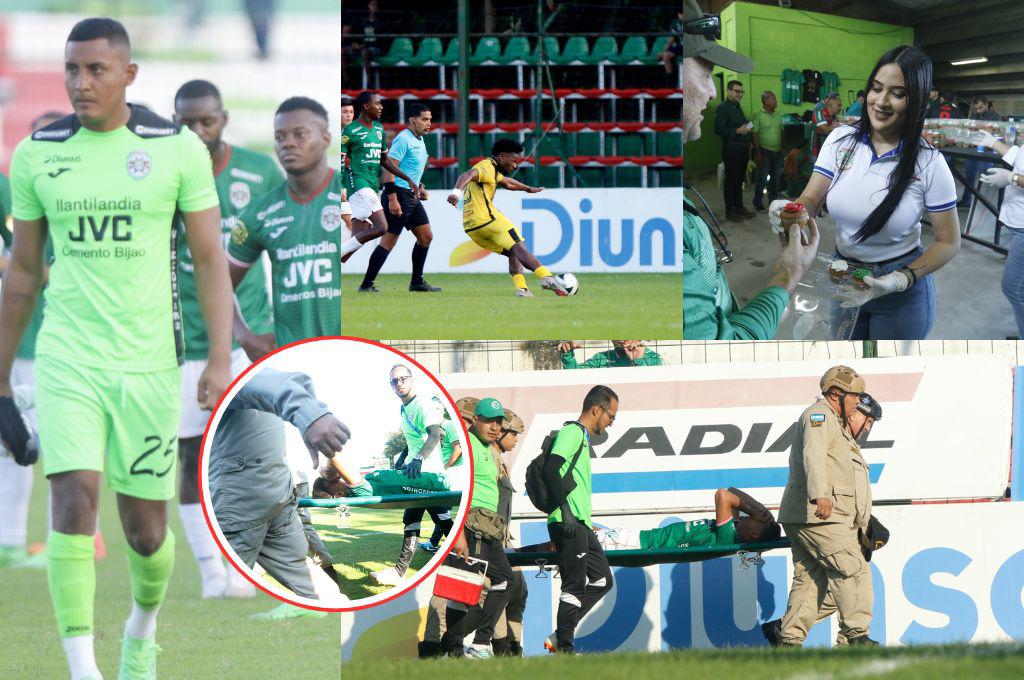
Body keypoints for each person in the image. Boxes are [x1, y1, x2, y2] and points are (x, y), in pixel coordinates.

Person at [0, 18, 235, 679]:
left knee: (147, 537)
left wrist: (218, 359)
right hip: (67, 358)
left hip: (151, 367)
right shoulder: (38, 153)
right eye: (72, 69)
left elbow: (210, 257)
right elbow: (22, 273)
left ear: (128, 74)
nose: (81, 82)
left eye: (96, 69)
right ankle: (84, 669)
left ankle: (142, 628)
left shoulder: (175, 149)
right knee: (72, 500)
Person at [173, 78, 281, 599]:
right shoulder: (164, 173)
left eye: (206, 121)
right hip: (185, 344)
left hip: (250, 341)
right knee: (192, 458)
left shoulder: (259, 172)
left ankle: (246, 568)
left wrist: (270, 330)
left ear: (225, 118)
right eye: (185, 123)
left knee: (252, 456)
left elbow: (284, 247)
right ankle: (211, 574)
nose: (196, 132)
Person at [770, 45, 960, 340]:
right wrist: (791, 211)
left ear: (917, 100)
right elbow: (811, 198)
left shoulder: (929, 162)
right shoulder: (840, 140)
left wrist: (900, 279)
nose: (881, 102)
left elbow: (949, 241)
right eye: (876, 88)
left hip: (900, 289)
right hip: (843, 274)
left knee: (888, 373)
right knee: (849, 363)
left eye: (898, 93)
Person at [681, 0, 819, 340]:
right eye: (704, 71)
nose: (711, 91)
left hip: (758, 151)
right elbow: (721, 352)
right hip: (736, 147)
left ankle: (742, 206)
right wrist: (788, 273)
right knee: (734, 187)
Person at [209, 368, 350, 604]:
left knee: (221, 590)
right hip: (275, 496)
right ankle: (343, 617)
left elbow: (254, 381)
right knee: (302, 571)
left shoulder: (227, 365)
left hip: (240, 503)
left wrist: (311, 415)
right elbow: (290, 383)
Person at [763, 366, 881, 648]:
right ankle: (856, 636)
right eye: (854, 397)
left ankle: (788, 639)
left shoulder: (835, 423)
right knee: (852, 569)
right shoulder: (819, 416)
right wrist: (820, 496)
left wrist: (862, 522)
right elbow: (813, 455)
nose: (856, 403)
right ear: (836, 393)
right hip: (818, 514)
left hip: (815, 515)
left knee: (811, 579)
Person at [0, 110, 71, 571]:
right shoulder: (18, 192)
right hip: (20, 338)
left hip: (67, 339)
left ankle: (66, 543)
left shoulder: (87, 199)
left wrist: (31, 273)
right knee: (12, 440)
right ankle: (10, 542)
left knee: (65, 443)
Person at [226, 96, 343, 352]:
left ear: (325, 139)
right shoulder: (259, 213)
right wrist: (244, 336)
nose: (288, 143)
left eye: (300, 134)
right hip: (291, 359)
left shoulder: (348, 193)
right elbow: (219, 283)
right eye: (280, 137)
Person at [543, 385, 618, 655]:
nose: (611, 422)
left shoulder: (582, 438)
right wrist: (564, 510)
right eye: (611, 416)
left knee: (602, 580)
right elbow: (551, 468)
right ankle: (565, 648)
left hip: (580, 522)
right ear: (596, 409)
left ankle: (560, 634)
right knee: (573, 585)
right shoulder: (572, 432)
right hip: (568, 521)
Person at [369, 364, 455, 587]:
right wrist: (404, 459)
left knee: (441, 519)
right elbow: (414, 440)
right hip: (415, 472)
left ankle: (466, 562)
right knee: (416, 518)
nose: (399, 383)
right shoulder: (404, 408)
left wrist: (418, 459)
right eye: (394, 381)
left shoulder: (423, 404)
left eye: (403, 378)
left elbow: (435, 435)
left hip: (429, 474)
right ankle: (399, 573)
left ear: (412, 379)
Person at [447, 138, 568, 296]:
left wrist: (528, 189)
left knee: (513, 252)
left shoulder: (492, 170)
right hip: (488, 220)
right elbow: (467, 174)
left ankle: (522, 289)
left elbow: (507, 183)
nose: (515, 165)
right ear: (502, 157)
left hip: (472, 228)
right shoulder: (486, 167)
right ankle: (547, 278)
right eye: (514, 160)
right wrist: (456, 193)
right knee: (519, 246)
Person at [443, 397, 514, 659]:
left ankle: (475, 645)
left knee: (504, 582)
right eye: (488, 420)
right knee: (462, 588)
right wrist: (459, 533)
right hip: (471, 526)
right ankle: (458, 650)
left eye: (498, 422)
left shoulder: (486, 447)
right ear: (475, 420)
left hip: (488, 528)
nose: (495, 427)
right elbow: (456, 491)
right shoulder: (469, 446)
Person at [359, 103, 442, 293]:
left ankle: (417, 283)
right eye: (424, 119)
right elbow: (388, 169)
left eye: (430, 119)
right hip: (398, 194)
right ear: (413, 119)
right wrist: (392, 198)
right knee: (389, 241)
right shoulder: (403, 139)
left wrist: (419, 187)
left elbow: (409, 170)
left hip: (411, 196)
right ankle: (366, 284)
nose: (429, 123)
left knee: (425, 236)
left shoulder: (419, 139)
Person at [338, 91, 422, 264]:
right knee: (382, 227)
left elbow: (385, 161)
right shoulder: (349, 131)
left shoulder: (378, 129)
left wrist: (408, 178)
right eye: (377, 104)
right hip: (358, 183)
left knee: (359, 235)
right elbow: (338, 161)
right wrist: (339, 186)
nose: (381, 107)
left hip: (372, 185)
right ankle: (335, 254)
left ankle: (336, 260)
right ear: (365, 106)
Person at [592, 488, 780, 552]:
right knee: (582, 529)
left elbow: (723, 495)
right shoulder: (734, 525)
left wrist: (751, 510)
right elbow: (733, 490)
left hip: (637, 544)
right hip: (637, 538)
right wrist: (760, 510)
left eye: (758, 520)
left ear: (754, 533)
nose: (752, 516)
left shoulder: (727, 537)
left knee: (576, 540)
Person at [976, 132, 1024, 337]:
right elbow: (1019, 155)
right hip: (1018, 220)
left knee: (1013, 287)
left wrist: (1012, 178)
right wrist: (994, 143)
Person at [715, 79, 755, 221]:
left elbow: (742, 125)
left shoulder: (737, 107)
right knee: (731, 180)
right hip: (731, 148)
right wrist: (737, 130)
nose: (740, 94)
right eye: (737, 91)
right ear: (729, 91)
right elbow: (718, 129)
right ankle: (730, 211)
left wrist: (749, 140)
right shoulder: (722, 108)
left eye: (741, 92)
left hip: (743, 148)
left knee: (739, 180)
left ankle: (739, 207)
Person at [959, 95, 1002, 208]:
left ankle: (987, 205)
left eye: (981, 108)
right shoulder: (973, 116)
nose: (978, 110)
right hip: (973, 151)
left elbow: (999, 134)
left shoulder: (995, 117)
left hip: (987, 153)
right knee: (969, 177)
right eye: (976, 108)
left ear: (986, 104)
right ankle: (966, 200)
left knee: (987, 178)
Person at [751, 90, 784, 211]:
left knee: (775, 179)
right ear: (765, 101)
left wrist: (783, 146)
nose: (776, 101)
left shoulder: (778, 115)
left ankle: (773, 202)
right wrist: (757, 152)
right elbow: (754, 134)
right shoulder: (757, 115)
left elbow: (781, 131)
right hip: (764, 151)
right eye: (773, 99)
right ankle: (757, 201)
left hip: (778, 152)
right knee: (762, 178)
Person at [557, 340, 663, 368]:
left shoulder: (654, 358)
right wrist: (568, 355)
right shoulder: (601, 359)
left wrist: (637, 360)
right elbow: (577, 378)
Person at [339, 97, 355, 235]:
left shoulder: (348, 134)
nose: (349, 115)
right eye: (345, 111)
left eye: (351, 111)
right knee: (354, 227)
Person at [811, 93, 842, 160]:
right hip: (816, 150)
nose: (840, 108)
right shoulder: (819, 113)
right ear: (831, 105)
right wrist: (836, 126)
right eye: (838, 105)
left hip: (827, 149)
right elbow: (826, 129)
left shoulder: (833, 116)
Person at [660, 8, 684, 76]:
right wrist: (664, 51)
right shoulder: (676, 26)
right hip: (681, 47)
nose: (683, 15)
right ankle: (670, 79)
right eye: (681, 14)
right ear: (679, 15)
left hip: (691, 46)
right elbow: (671, 39)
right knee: (666, 56)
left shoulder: (692, 23)